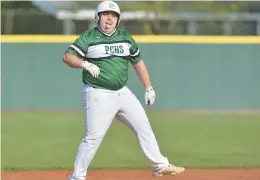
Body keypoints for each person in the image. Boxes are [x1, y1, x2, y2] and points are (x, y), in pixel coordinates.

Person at [63, 0, 185, 179]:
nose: (110, 19)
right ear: (98, 17)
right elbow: (68, 57)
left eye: (114, 16)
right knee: (93, 138)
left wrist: (148, 87)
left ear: (118, 19)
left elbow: (138, 62)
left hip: (122, 91)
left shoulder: (125, 37)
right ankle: (77, 176)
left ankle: (159, 165)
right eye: (106, 15)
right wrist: (85, 64)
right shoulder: (89, 37)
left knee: (143, 125)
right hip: (98, 92)